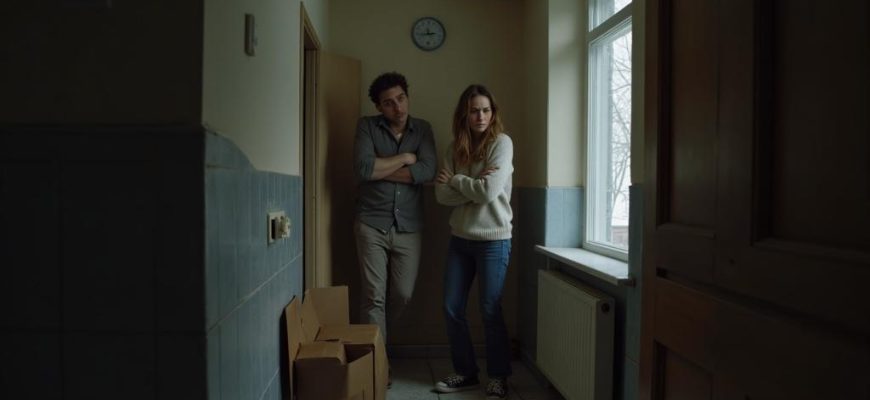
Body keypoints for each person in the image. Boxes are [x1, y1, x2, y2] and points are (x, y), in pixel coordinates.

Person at [433, 84, 513, 399]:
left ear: (493, 113)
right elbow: (441, 196)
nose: (480, 116)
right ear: (464, 115)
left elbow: (488, 192)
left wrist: (456, 180)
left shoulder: (501, 144)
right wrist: (474, 186)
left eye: (485, 110)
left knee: (490, 309)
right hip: (460, 240)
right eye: (474, 110)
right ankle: (466, 373)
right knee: (452, 307)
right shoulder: (454, 148)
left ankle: (498, 377)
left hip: (494, 240)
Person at [353, 72, 437, 351]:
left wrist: (380, 169)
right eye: (389, 103)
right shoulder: (367, 126)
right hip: (371, 222)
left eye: (401, 99)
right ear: (379, 106)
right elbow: (363, 169)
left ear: (407, 97)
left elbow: (427, 171)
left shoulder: (422, 129)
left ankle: (378, 336)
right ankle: (377, 361)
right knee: (373, 297)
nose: (398, 107)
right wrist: (404, 158)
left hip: (409, 227)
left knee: (403, 294)